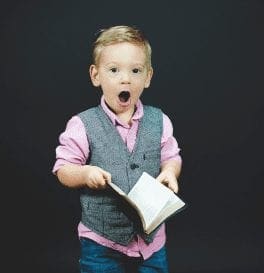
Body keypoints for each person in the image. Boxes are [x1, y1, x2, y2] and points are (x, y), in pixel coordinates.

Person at [52, 25, 182, 273]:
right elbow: (63, 169)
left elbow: (171, 156)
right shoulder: (82, 124)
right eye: (114, 70)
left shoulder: (160, 120)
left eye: (136, 70)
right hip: (102, 241)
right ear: (95, 75)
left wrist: (170, 172)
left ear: (148, 77)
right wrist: (84, 173)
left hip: (151, 241)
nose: (126, 79)